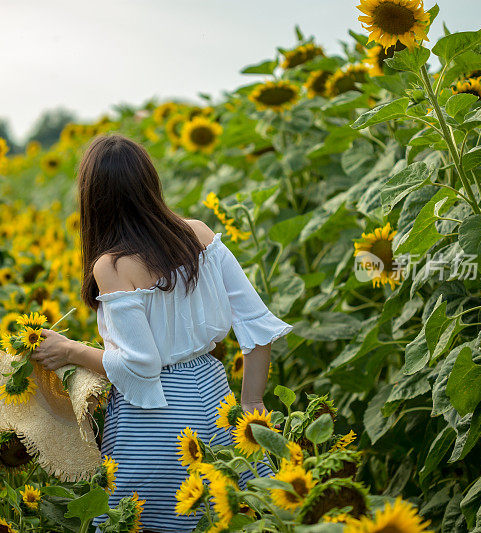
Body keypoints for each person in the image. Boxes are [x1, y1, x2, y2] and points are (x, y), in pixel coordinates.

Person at [31, 134, 292, 532]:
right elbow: (257, 324)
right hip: (214, 398)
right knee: (228, 516)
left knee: (141, 522)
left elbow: (141, 366)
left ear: (92, 198)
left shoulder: (112, 265)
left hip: (155, 420)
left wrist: (69, 350)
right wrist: (252, 399)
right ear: (149, 183)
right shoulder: (199, 236)